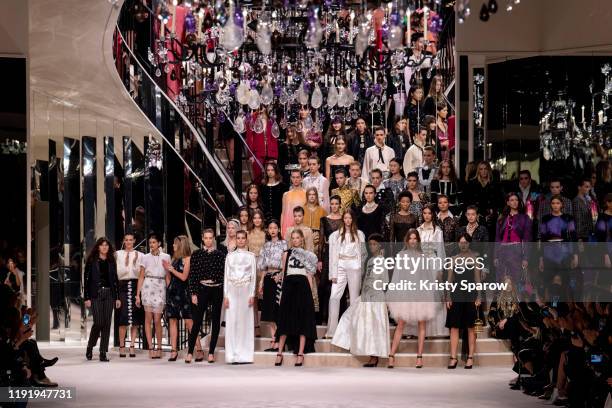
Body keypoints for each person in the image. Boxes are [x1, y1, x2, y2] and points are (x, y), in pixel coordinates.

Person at [331, 233, 390, 367]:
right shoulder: (370, 261)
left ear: (380, 245)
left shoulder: (381, 260)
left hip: (375, 296)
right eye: (370, 244)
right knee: (351, 316)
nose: (372, 246)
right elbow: (366, 279)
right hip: (366, 295)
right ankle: (349, 342)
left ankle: (374, 357)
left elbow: (384, 280)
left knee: (375, 325)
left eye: (375, 244)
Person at [387, 229, 439, 369]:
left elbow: (427, 278)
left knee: (422, 324)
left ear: (418, 240)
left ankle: (419, 357)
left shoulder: (422, 257)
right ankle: (391, 355)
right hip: (406, 292)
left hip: (421, 293)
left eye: (415, 238)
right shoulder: (401, 256)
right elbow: (397, 277)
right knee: (401, 324)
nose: (413, 241)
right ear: (407, 240)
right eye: (410, 238)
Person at [274, 229, 318, 367]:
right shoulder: (286, 254)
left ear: (302, 239)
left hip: (303, 287)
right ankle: (279, 353)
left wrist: (311, 295)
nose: (295, 240)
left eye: (297, 237)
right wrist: (281, 293)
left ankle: (300, 353)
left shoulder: (309, 255)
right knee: (285, 320)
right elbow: (284, 273)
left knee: (302, 320)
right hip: (288, 286)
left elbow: (310, 276)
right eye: (293, 238)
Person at [185, 229, 226, 364]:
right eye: (206, 238)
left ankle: (211, 352)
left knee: (215, 321)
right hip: (202, 289)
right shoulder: (196, 254)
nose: (208, 240)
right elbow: (193, 275)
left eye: (210, 238)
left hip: (216, 289)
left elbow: (223, 275)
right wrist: (193, 293)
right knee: (197, 321)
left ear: (213, 238)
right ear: (202, 239)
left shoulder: (220, 255)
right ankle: (190, 351)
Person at [325, 210, 367, 338]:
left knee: (354, 298)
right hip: (340, 266)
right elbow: (332, 255)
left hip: (354, 266)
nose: (348, 220)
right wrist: (332, 274)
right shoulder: (335, 235)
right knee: (334, 297)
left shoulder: (359, 234)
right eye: (346, 218)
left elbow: (363, 254)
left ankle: (354, 329)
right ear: (343, 219)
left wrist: (362, 271)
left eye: (350, 218)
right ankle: (332, 330)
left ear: (353, 219)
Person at [445, 233, 482, 369]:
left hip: (471, 294)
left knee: (471, 327)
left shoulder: (475, 259)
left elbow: (477, 279)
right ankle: (453, 358)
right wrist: (448, 296)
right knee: (454, 327)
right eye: (461, 242)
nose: (463, 245)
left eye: (466, 242)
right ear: (458, 244)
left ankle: (470, 357)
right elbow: (449, 280)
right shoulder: (453, 259)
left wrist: (479, 296)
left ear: (469, 243)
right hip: (456, 294)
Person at [223, 230, 257, 364]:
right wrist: (225, 295)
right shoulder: (229, 256)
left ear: (246, 240)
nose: (241, 240)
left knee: (245, 322)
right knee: (232, 322)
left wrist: (252, 294)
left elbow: (254, 276)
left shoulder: (251, 256)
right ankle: (232, 354)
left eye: (243, 238)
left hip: (246, 290)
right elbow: (226, 276)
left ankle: (245, 354)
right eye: (239, 238)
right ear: (236, 240)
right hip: (231, 290)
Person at [84, 238, 120, 362]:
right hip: (96, 294)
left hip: (109, 293)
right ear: (98, 247)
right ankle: (90, 346)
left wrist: (117, 297)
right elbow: (86, 280)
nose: (104, 247)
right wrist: (86, 297)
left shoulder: (111, 261)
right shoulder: (91, 260)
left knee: (107, 323)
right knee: (99, 322)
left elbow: (115, 280)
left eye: (106, 245)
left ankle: (103, 352)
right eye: (102, 245)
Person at [137, 233, 171, 359]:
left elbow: (168, 276)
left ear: (159, 243)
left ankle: (159, 347)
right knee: (148, 319)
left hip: (160, 287)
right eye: (150, 243)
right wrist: (137, 295)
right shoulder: (145, 257)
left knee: (157, 319)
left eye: (154, 242)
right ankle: (151, 347)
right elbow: (141, 276)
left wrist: (170, 292)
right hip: (147, 286)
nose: (151, 245)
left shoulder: (166, 256)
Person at [257, 220, 287, 352]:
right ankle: (273, 341)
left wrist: (281, 275)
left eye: (275, 228)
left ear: (279, 229)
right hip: (269, 278)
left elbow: (285, 263)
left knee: (277, 310)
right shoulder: (266, 245)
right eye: (270, 228)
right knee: (269, 311)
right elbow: (263, 266)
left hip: (279, 278)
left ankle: (279, 341)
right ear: (268, 230)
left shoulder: (284, 244)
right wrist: (261, 281)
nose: (273, 230)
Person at [538, 195, 578, 291]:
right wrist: (541, 258)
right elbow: (542, 238)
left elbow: (573, 236)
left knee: (565, 279)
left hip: (564, 252)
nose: (555, 205)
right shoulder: (545, 218)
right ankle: (551, 304)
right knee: (548, 279)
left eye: (557, 203)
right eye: (553, 203)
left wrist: (575, 255)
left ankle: (565, 303)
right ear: (550, 205)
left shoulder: (568, 218)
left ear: (562, 205)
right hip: (549, 252)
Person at [164, 235, 194, 362]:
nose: (173, 246)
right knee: (172, 321)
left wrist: (171, 269)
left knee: (189, 322)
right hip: (172, 293)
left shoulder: (188, 259)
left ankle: (197, 349)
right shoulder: (174, 259)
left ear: (181, 245)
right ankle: (173, 350)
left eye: (175, 244)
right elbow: (168, 276)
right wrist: (168, 285)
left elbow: (184, 277)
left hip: (184, 293)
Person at [115, 233, 144, 358]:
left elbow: (142, 275)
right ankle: (122, 346)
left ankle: (132, 345)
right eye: (126, 240)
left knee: (135, 318)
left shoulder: (140, 255)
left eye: (131, 240)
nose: (128, 242)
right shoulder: (117, 254)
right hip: (122, 286)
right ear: (123, 241)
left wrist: (139, 294)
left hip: (135, 284)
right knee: (122, 318)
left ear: (134, 241)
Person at [494, 193, 532, 286]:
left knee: (516, 279)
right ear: (508, 203)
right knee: (501, 279)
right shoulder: (502, 218)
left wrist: (525, 258)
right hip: (502, 251)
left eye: (516, 200)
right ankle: (502, 300)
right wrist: (495, 256)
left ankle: (516, 300)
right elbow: (498, 238)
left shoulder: (524, 218)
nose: (515, 202)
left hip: (516, 251)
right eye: (512, 200)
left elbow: (527, 239)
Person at [318, 196, 343, 325]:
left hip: (341, 253)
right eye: (332, 204)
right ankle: (324, 316)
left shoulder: (344, 220)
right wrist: (320, 260)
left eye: (336, 204)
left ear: (340, 205)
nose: (334, 206)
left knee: (339, 283)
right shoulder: (324, 220)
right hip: (327, 253)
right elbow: (321, 241)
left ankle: (339, 316)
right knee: (323, 284)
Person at [464, 161, 504, 238]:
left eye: (485, 169)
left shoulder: (495, 184)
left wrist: (499, 213)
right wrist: (474, 214)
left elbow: (500, 201)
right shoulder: (472, 183)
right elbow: (468, 201)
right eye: (481, 169)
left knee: (491, 239)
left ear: (489, 170)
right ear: (478, 171)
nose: (483, 171)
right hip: (477, 216)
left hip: (492, 216)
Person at [246, 108, 278, 184]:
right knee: (258, 176)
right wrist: (250, 154)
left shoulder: (271, 119)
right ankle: (258, 194)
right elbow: (249, 138)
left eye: (263, 106)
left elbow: (274, 137)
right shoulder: (252, 118)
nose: (261, 108)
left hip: (270, 153)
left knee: (270, 177)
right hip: (257, 153)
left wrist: (275, 155)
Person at [248, 210, 267, 336]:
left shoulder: (266, 234)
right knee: (253, 297)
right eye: (255, 218)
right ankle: (256, 325)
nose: (257, 220)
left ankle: (270, 323)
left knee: (265, 295)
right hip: (251, 265)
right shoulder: (248, 233)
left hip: (263, 265)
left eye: (259, 218)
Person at [280, 169, 307, 237]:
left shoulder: (306, 193)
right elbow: (283, 213)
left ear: (302, 178)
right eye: (293, 177)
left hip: (302, 227)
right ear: (291, 178)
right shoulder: (286, 195)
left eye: (298, 177)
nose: (295, 179)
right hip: (287, 227)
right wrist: (281, 229)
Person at [303, 187, 327, 256]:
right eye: (309, 194)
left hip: (317, 242)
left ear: (316, 196)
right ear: (307, 196)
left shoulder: (322, 211)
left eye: (314, 194)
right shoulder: (302, 209)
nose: (312, 196)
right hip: (304, 240)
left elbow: (325, 229)